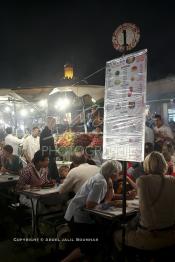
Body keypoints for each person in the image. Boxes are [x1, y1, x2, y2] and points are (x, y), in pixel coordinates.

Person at [61, 160, 122, 262]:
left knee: (95, 241)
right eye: (118, 172)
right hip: (77, 217)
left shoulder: (103, 178)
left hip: (81, 215)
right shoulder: (100, 182)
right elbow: (90, 205)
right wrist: (110, 204)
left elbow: (108, 198)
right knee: (88, 247)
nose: (119, 175)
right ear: (113, 172)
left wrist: (113, 188)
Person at [114, 151, 175, 251]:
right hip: (170, 234)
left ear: (147, 164)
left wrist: (129, 225)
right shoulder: (172, 180)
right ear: (164, 163)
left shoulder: (143, 180)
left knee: (116, 234)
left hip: (150, 236)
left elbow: (144, 209)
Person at [40, 117, 59, 181]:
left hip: (50, 156)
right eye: (54, 123)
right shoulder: (45, 132)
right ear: (51, 123)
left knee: (52, 175)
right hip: (48, 157)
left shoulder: (48, 132)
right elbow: (46, 146)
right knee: (49, 175)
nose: (55, 124)